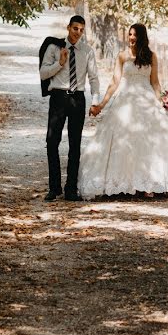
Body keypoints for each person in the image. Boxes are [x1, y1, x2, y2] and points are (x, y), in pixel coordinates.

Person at [78, 23, 168, 200]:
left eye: (135, 35)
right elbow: (114, 83)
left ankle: (149, 184)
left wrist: (162, 100)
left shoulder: (151, 56)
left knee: (149, 141)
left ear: (141, 37)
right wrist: (101, 104)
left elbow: (154, 82)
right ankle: (124, 183)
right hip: (125, 100)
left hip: (146, 100)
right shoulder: (122, 56)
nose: (131, 38)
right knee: (123, 140)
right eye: (130, 34)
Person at [39, 15, 100, 201]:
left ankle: (71, 189)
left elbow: (94, 78)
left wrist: (95, 101)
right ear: (68, 28)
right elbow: (43, 74)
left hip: (77, 99)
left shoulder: (88, 51)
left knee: (75, 145)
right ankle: (54, 187)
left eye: (81, 30)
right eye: (75, 29)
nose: (78, 33)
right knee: (52, 142)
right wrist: (60, 63)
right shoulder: (54, 48)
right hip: (58, 97)